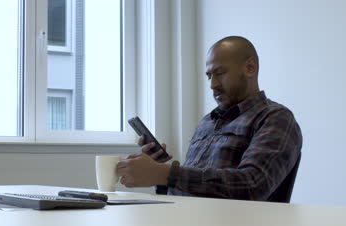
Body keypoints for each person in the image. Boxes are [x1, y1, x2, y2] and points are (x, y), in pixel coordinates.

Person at [116, 36, 302, 201]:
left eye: (220, 73)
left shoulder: (276, 118)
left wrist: (167, 174)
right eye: (209, 76)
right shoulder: (207, 122)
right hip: (186, 225)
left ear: (250, 68)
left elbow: (252, 186)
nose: (213, 84)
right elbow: (189, 192)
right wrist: (158, 174)